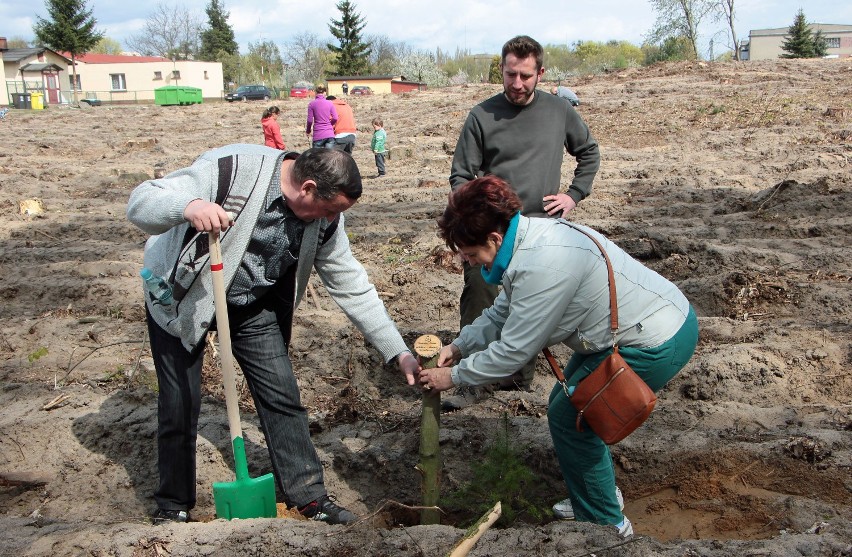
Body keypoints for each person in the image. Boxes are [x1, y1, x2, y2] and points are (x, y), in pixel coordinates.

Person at [126, 146, 420, 526]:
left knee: (282, 396)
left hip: (251, 303)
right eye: (331, 210)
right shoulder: (230, 170)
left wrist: (396, 351)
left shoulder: (325, 220)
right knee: (180, 403)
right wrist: (189, 205)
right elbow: (142, 201)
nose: (333, 219)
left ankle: (310, 498)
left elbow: (351, 284)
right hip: (181, 301)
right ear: (308, 188)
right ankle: (173, 505)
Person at [417, 176, 698, 538]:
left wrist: (453, 376)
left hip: (656, 337)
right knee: (567, 405)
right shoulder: (527, 241)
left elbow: (514, 351)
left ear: (494, 239)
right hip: (624, 331)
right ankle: (594, 493)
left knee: (575, 419)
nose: (467, 262)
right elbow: (501, 314)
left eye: (470, 254)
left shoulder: (543, 264)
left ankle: (606, 525)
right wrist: (457, 347)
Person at [447, 35, 601, 401]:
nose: (517, 84)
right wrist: (474, 218)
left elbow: (589, 153)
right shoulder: (481, 115)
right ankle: (470, 381)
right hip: (492, 232)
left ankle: (516, 382)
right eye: (510, 74)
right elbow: (460, 176)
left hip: (542, 232)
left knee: (529, 305)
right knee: (481, 296)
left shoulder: (559, 111)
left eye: (526, 76)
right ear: (500, 70)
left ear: (541, 74)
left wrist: (573, 194)